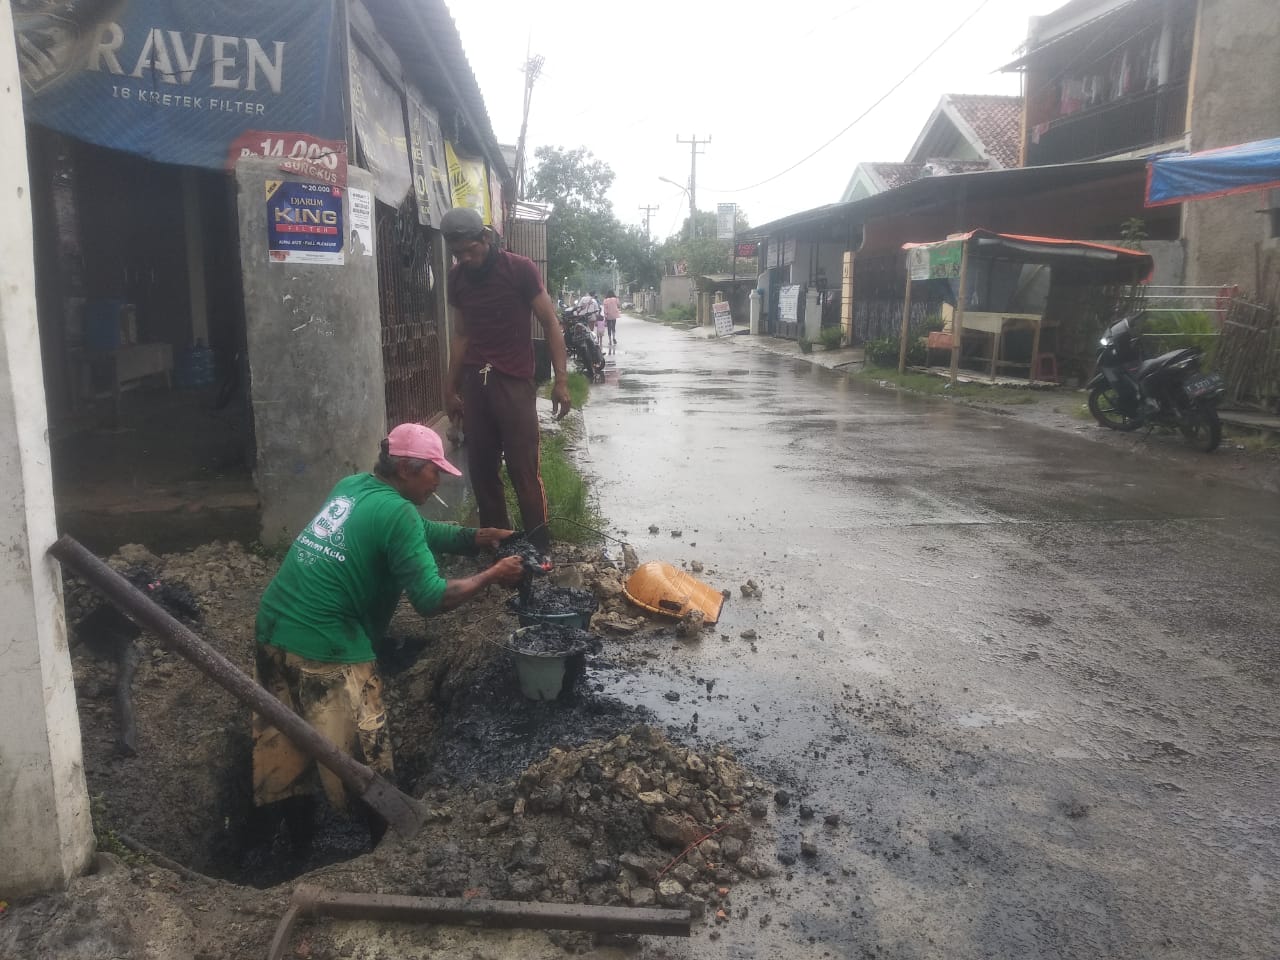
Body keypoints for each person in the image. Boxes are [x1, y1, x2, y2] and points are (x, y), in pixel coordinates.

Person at [251, 423, 525, 838]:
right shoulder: (397, 513)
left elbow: (419, 532)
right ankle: (381, 844)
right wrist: (492, 576)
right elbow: (431, 599)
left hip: (274, 625)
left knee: (283, 743)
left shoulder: (354, 486)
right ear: (405, 470)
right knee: (364, 762)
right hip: (326, 644)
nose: (440, 480)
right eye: (434, 471)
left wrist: (477, 539)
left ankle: (285, 842)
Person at [441, 207, 571, 555]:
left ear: (486, 237)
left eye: (472, 249)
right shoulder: (457, 279)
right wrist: (450, 388)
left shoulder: (520, 269)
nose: (466, 258)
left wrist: (561, 381)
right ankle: (501, 548)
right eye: (458, 254)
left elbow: (551, 323)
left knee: (523, 470)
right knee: (482, 472)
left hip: (514, 383)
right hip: (475, 384)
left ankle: (538, 550)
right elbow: (461, 336)